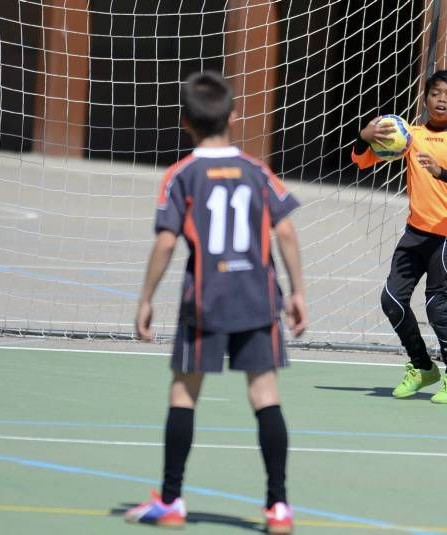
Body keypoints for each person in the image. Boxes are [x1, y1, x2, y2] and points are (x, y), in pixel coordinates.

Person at [125, 70, 307, 535]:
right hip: (257, 297)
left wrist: (145, 298)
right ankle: (279, 507)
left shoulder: (182, 174)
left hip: (205, 297)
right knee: (265, 396)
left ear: (185, 121)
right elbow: (284, 229)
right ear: (233, 115)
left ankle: (170, 500)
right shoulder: (256, 171)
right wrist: (299, 291)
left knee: (184, 393)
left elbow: (167, 243)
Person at [352, 70, 447, 404]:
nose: (442, 100)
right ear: (424, 98)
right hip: (415, 234)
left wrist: (443, 173)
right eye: (436, 93)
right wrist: (364, 136)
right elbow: (362, 161)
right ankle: (422, 366)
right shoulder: (408, 135)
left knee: (436, 303)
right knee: (391, 300)